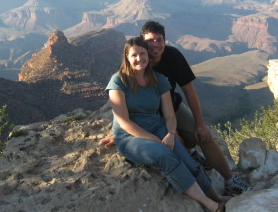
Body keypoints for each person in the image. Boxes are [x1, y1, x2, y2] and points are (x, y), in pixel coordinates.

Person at [100, 21, 249, 195]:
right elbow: (125, 100)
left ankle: (230, 180)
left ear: (165, 41)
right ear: (142, 41)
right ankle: (191, 156)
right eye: (150, 41)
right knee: (173, 141)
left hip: (172, 107)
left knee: (204, 137)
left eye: (159, 39)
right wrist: (120, 133)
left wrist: (200, 124)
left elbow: (190, 92)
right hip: (150, 116)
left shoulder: (173, 57)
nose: (155, 45)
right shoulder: (136, 58)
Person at [106, 37, 228, 212]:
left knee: (188, 160)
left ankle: (216, 196)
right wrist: (154, 139)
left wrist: (170, 134)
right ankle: (209, 204)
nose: (139, 58)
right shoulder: (119, 81)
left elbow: (170, 115)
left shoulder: (159, 80)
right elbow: (124, 122)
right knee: (164, 154)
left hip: (159, 130)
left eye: (143, 54)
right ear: (126, 57)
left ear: (148, 56)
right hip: (129, 138)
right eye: (134, 55)